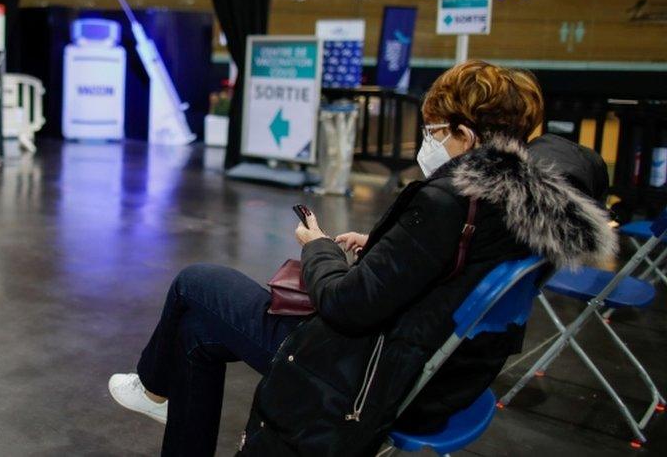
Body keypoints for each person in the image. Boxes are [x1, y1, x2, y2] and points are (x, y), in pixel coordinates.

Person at [108, 60, 617, 456]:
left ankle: (154, 388)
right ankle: (154, 392)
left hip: (363, 370)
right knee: (197, 330)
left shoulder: (447, 203)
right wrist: (384, 249)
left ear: (467, 136)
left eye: (436, 130)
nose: (429, 141)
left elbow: (346, 306)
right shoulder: (524, 199)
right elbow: (445, 263)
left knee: (196, 285)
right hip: (437, 369)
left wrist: (319, 247)